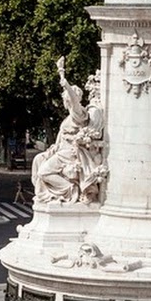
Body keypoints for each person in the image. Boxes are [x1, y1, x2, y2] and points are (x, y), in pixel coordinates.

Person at [32, 57, 105, 204]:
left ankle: (70, 189)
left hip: (70, 154)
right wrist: (50, 151)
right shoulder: (68, 118)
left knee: (43, 171)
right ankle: (45, 195)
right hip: (60, 151)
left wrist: (63, 78)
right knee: (38, 160)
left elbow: (74, 102)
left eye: (66, 99)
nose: (65, 101)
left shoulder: (78, 115)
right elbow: (60, 140)